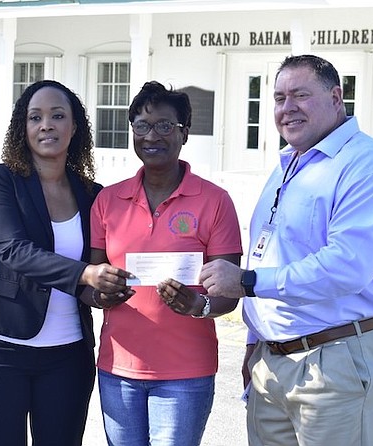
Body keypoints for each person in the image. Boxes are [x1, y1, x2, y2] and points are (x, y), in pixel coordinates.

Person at [200, 54, 373, 446]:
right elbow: (270, 252)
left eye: (300, 94)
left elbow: (345, 266)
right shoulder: (287, 164)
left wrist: (246, 282)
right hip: (271, 361)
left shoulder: (369, 167)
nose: (287, 108)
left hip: (333, 360)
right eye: (279, 98)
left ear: (336, 97)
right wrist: (255, 344)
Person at [0, 79, 132, 446]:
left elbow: (94, 272)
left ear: (75, 127)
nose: (46, 125)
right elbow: (11, 249)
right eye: (35, 117)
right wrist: (86, 273)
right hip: (0, 350)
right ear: (22, 128)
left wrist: (102, 292)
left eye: (58, 116)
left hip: (68, 357)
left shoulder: (92, 195)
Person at [88, 80, 243, 446]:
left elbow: (230, 291)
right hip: (119, 368)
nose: (151, 135)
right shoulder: (108, 201)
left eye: (164, 125)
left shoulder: (215, 201)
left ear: (184, 133)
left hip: (185, 373)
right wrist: (101, 296)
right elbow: (88, 283)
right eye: (141, 125)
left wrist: (198, 305)